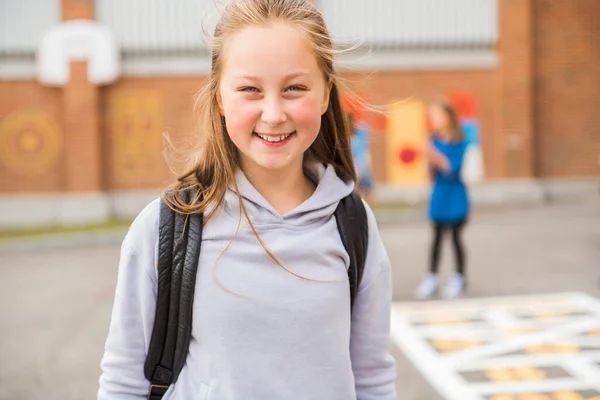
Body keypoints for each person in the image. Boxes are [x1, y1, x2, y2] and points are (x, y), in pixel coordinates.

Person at [98, 1, 396, 399]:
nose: (273, 114)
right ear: (220, 98)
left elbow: (372, 379)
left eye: (295, 88)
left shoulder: (353, 225)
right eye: (249, 89)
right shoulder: (166, 227)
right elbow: (123, 384)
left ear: (326, 94)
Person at [415, 100, 470, 300]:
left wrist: (432, 155)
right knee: (436, 239)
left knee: (456, 239)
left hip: (456, 196)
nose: (434, 120)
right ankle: (431, 278)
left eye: (437, 115)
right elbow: (432, 172)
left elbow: (452, 168)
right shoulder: (433, 140)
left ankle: (459, 278)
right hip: (439, 195)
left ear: (448, 117)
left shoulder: (459, 140)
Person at [348, 112, 375, 203]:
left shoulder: (357, 136)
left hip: (359, 164)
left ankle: (365, 200)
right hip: (356, 165)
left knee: (363, 184)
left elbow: (361, 152)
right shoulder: (352, 138)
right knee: (358, 185)